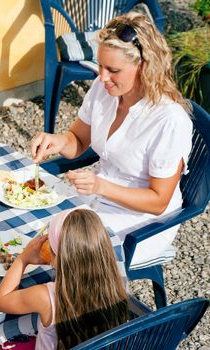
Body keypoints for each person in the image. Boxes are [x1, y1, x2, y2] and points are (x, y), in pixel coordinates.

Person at [30, 12, 193, 268]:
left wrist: (100, 187)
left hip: (142, 221)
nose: (102, 77)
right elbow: (77, 140)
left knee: (60, 253)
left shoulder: (169, 120)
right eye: (100, 66)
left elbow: (159, 202)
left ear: (145, 66)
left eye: (113, 70)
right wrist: (58, 140)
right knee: (35, 233)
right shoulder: (103, 89)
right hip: (98, 195)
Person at [0, 208, 129, 349]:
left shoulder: (44, 296)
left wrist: (22, 259)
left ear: (56, 259)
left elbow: (1, 301)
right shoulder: (115, 285)